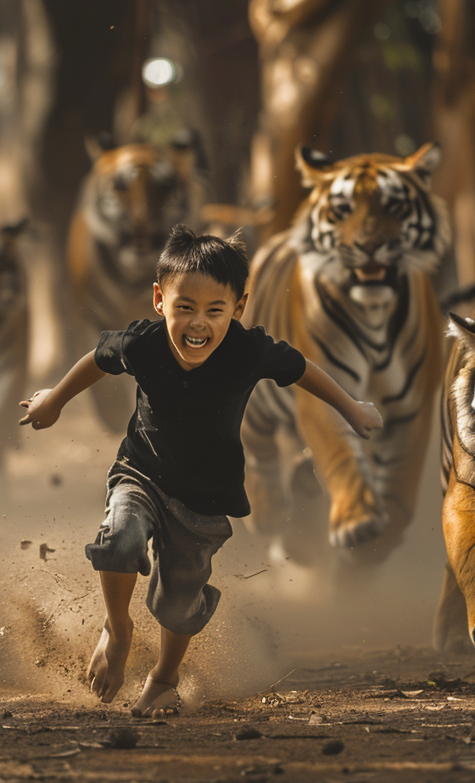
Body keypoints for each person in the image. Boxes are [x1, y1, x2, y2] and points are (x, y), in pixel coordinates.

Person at [19, 226, 383, 716]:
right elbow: (98, 359)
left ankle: (164, 679)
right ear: (159, 300)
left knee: (178, 600)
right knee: (121, 539)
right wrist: (54, 400)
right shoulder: (143, 342)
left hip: (206, 497)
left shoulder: (249, 349)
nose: (198, 324)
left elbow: (302, 370)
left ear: (238, 307)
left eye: (215, 311)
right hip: (140, 472)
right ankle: (118, 628)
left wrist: (352, 408)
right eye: (184, 307)